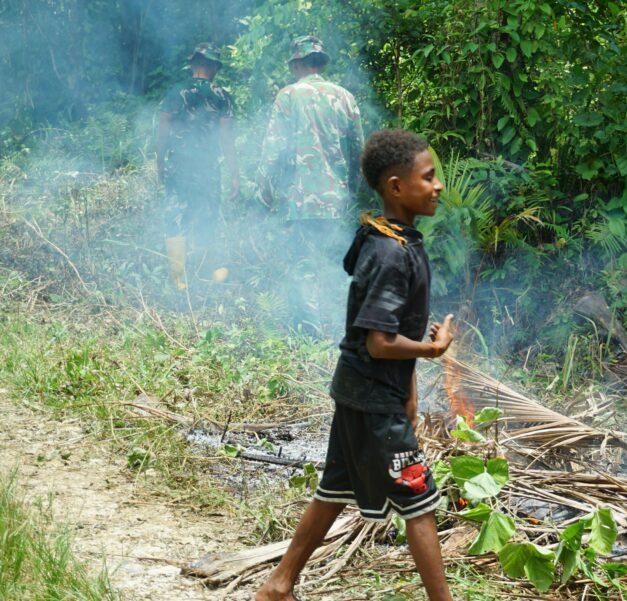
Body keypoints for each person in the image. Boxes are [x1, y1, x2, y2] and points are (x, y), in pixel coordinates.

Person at [255, 129, 455, 601]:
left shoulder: (393, 239)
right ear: (395, 186)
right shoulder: (389, 252)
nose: (438, 185)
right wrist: (433, 350)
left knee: (334, 488)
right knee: (418, 500)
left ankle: (278, 585)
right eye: (428, 178)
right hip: (370, 395)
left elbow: (387, 335)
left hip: (362, 391)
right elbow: (381, 342)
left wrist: (408, 395)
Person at [259, 35, 365, 334]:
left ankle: (312, 333)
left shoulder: (289, 96)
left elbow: (273, 149)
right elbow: (359, 150)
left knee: (304, 265)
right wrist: (351, 190)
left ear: (296, 64)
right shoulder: (345, 97)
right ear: (319, 62)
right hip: (336, 198)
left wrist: (265, 188)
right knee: (335, 264)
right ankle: (342, 328)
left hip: (301, 198)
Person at [156, 42, 237, 289]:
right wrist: (235, 175)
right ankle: (206, 278)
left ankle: (179, 282)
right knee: (207, 217)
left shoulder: (175, 92)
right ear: (214, 67)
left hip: (178, 166)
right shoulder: (223, 96)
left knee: (176, 217)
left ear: (193, 64)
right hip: (208, 167)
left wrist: (159, 161)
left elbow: (162, 128)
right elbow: (226, 139)